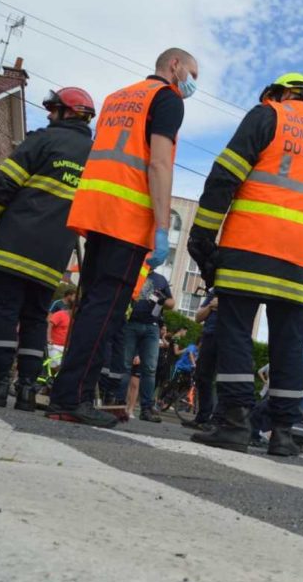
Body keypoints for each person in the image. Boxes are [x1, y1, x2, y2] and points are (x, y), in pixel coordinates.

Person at [187, 73, 303, 456]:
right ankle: (283, 434)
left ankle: (235, 422)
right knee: (289, 344)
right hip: (301, 258)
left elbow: (225, 176)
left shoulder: (267, 115)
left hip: (251, 246)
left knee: (236, 332)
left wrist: (203, 235)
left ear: (279, 93)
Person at [47, 47, 198, 427]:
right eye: (192, 73)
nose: (192, 82)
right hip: (127, 217)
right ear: (175, 66)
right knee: (107, 311)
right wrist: (163, 226)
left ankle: (67, 393)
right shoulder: (167, 99)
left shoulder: (119, 97)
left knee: (89, 307)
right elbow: (159, 162)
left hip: (96, 209)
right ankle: (73, 399)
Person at [0, 87, 96, 411]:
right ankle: (26, 389)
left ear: (66, 112)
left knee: (4, 311)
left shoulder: (42, 140)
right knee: (36, 319)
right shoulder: (96, 157)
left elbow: (4, 185)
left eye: (53, 110)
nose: (49, 116)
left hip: (15, 244)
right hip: (53, 256)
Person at [115, 266, 175, 422]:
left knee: (149, 368)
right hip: (131, 322)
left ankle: (146, 408)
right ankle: (119, 404)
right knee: (125, 365)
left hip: (152, 325)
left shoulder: (160, 279)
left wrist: (163, 299)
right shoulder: (133, 271)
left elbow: (171, 303)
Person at [182, 290, 218, 429]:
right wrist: (210, 306)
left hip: (228, 337)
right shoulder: (214, 291)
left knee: (223, 380)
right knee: (202, 376)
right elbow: (198, 317)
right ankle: (202, 417)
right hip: (209, 335)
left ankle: (217, 420)